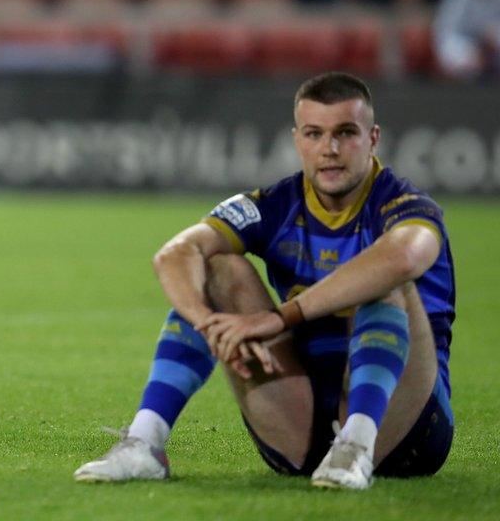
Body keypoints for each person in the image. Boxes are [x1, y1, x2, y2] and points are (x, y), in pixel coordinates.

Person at [74, 72, 454, 490]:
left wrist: (278, 318)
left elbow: (403, 256)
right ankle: (144, 443)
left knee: (384, 277)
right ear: (297, 140)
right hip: (297, 424)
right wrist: (209, 324)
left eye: (345, 133)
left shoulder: (406, 204)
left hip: (406, 429)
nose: (329, 149)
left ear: (373, 138)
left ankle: (356, 446)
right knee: (218, 268)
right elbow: (174, 254)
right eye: (315, 134)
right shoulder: (273, 204)